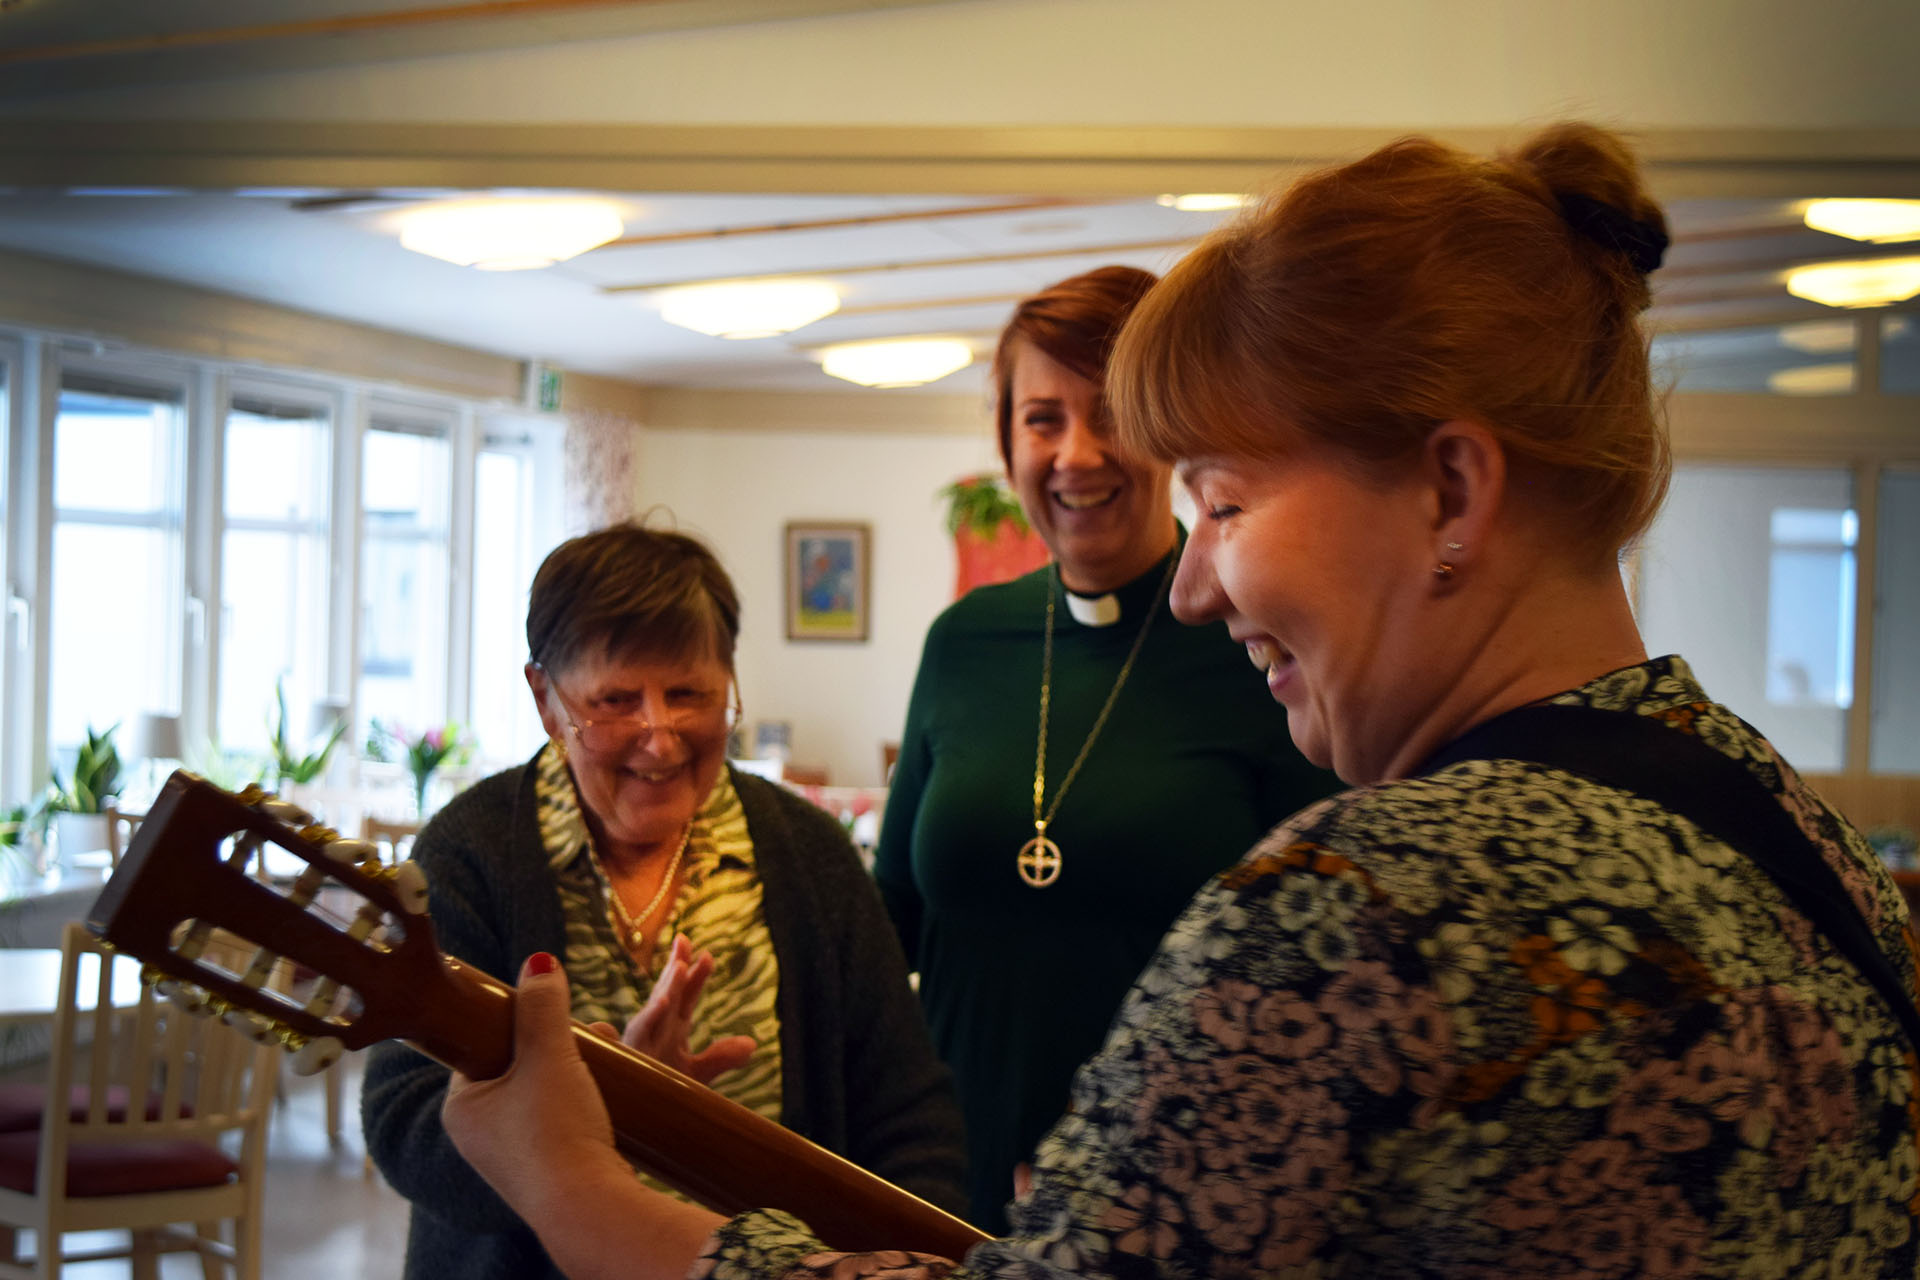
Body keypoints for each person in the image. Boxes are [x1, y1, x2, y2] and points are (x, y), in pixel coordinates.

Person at [439, 123, 1920, 1277]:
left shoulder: (1367, 909)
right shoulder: (1811, 849)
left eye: (1219, 502)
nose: (1197, 585)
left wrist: (578, 1190)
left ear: (1454, 488)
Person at [362, 522, 966, 1280]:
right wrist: (599, 1105)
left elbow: (910, 1111)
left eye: (691, 694)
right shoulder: (471, 853)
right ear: (547, 699)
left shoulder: (808, 854)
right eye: (616, 701)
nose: (662, 736)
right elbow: (402, 1120)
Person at [874, 265, 1337, 1230]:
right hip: (938, 1171)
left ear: (1170, 434)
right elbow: (890, 925)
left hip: (1173, 1189)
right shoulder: (962, 642)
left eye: (1112, 413)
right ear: (1007, 443)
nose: (1077, 454)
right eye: (1043, 418)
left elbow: (1312, 960)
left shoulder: (1257, 645)